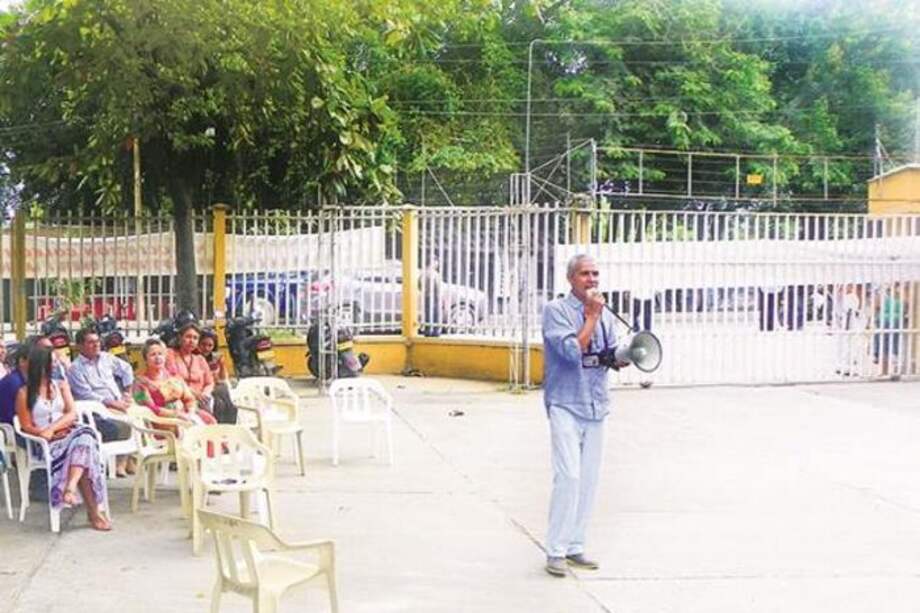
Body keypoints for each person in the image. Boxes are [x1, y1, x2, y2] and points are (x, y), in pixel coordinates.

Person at [541, 254, 626, 578]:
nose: (591, 280)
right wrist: (590, 317)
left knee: (589, 479)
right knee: (569, 476)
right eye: (584, 274)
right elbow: (570, 353)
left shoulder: (604, 314)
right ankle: (556, 550)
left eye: (595, 274)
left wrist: (620, 357)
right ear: (570, 279)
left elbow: (608, 349)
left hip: (596, 402)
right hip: (565, 400)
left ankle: (576, 544)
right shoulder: (556, 311)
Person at [15, 346, 111, 531]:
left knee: (84, 435)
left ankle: (70, 487)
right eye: (52, 361)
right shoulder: (24, 393)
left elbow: (72, 413)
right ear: (40, 365)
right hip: (46, 443)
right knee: (84, 446)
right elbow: (26, 425)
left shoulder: (61, 385)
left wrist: (52, 428)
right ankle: (93, 513)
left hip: (68, 433)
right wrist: (44, 433)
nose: (56, 365)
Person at [66, 328, 137, 477]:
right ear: (80, 346)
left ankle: (128, 459)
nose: (96, 345)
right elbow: (86, 394)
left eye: (97, 341)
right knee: (126, 422)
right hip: (96, 409)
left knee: (141, 417)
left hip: (118, 402)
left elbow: (127, 369)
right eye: (91, 342)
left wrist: (127, 392)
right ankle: (121, 463)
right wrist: (112, 403)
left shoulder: (107, 358)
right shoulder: (75, 368)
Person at [133, 338, 216, 428]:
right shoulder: (140, 383)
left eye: (160, 354)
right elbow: (149, 408)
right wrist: (177, 415)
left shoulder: (174, 376)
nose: (157, 358)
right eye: (153, 355)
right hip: (162, 421)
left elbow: (189, 398)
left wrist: (190, 412)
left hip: (185, 415)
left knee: (210, 421)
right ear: (146, 359)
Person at [166, 323, 218, 417]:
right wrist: (194, 393)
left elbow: (210, 382)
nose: (191, 341)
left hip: (201, 400)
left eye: (195, 338)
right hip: (180, 399)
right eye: (188, 337)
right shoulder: (171, 355)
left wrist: (204, 394)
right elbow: (174, 379)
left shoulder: (200, 359)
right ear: (180, 338)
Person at [197, 328, 238, 424]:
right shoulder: (195, 358)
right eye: (203, 344)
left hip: (216, 388)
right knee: (219, 403)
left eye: (210, 345)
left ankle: (229, 428)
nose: (206, 348)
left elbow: (222, 379)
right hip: (202, 389)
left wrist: (222, 365)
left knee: (229, 403)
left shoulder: (215, 359)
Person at [419, 258, 444, 337]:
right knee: (436, 314)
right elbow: (438, 287)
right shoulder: (435, 274)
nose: (437, 264)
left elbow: (419, 285)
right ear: (432, 262)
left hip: (426, 296)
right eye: (436, 262)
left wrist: (425, 291)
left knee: (427, 314)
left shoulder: (423, 273)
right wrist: (440, 298)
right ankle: (436, 331)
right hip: (435, 297)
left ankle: (427, 331)